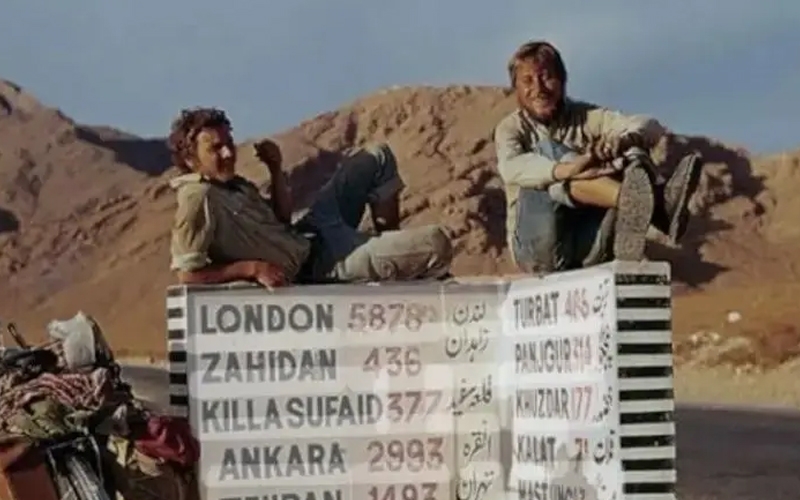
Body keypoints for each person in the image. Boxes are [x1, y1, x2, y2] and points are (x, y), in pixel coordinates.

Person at [166, 107, 453, 288]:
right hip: (318, 265)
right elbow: (188, 274)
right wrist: (252, 268)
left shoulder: (232, 185)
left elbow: (282, 219)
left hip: (312, 232)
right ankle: (395, 260)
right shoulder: (197, 198)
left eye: (229, 143)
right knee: (436, 243)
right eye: (215, 149)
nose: (228, 153)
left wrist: (275, 169)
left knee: (377, 156)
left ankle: (393, 259)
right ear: (190, 159)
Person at [494, 40, 703, 273]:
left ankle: (634, 211)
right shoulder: (511, 129)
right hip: (537, 251)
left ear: (562, 81)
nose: (539, 88)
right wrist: (569, 169)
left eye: (547, 77)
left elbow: (649, 125)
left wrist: (625, 140)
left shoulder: (585, 117)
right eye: (528, 81)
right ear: (515, 88)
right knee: (548, 153)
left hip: (587, 246)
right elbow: (511, 168)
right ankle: (651, 205)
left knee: (628, 153)